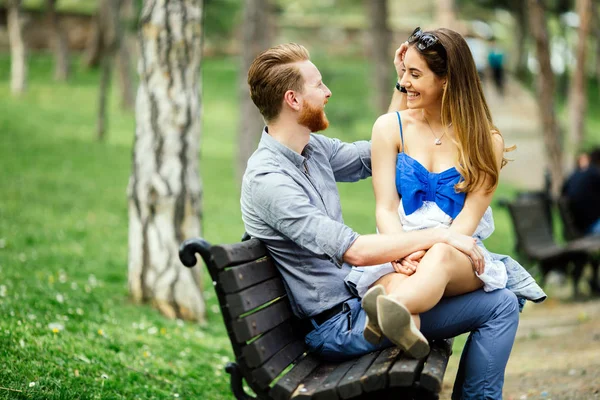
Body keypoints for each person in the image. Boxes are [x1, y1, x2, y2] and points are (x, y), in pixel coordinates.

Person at [241, 42, 543, 399]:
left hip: (361, 300)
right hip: (339, 324)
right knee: (488, 304)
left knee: (502, 303)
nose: (328, 92)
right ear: (293, 100)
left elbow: (383, 147)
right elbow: (353, 250)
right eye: (318, 85)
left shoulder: (312, 150)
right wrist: (441, 238)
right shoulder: (268, 179)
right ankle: (403, 316)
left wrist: (404, 83)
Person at [358, 24, 546, 369]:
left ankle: (384, 314)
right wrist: (400, 251)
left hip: (458, 254)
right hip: (399, 248)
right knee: (395, 281)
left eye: (416, 74)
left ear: (446, 79)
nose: (405, 83)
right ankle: (403, 325)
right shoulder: (389, 128)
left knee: (441, 253)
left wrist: (421, 253)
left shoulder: (486, 140)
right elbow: (384, 207)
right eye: (405, 73)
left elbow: (466, 223)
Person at [562, 148, 600, 235]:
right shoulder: (595, 174)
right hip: (590, 227)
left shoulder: (574, 175)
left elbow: (563, 192)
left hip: (577, 226)